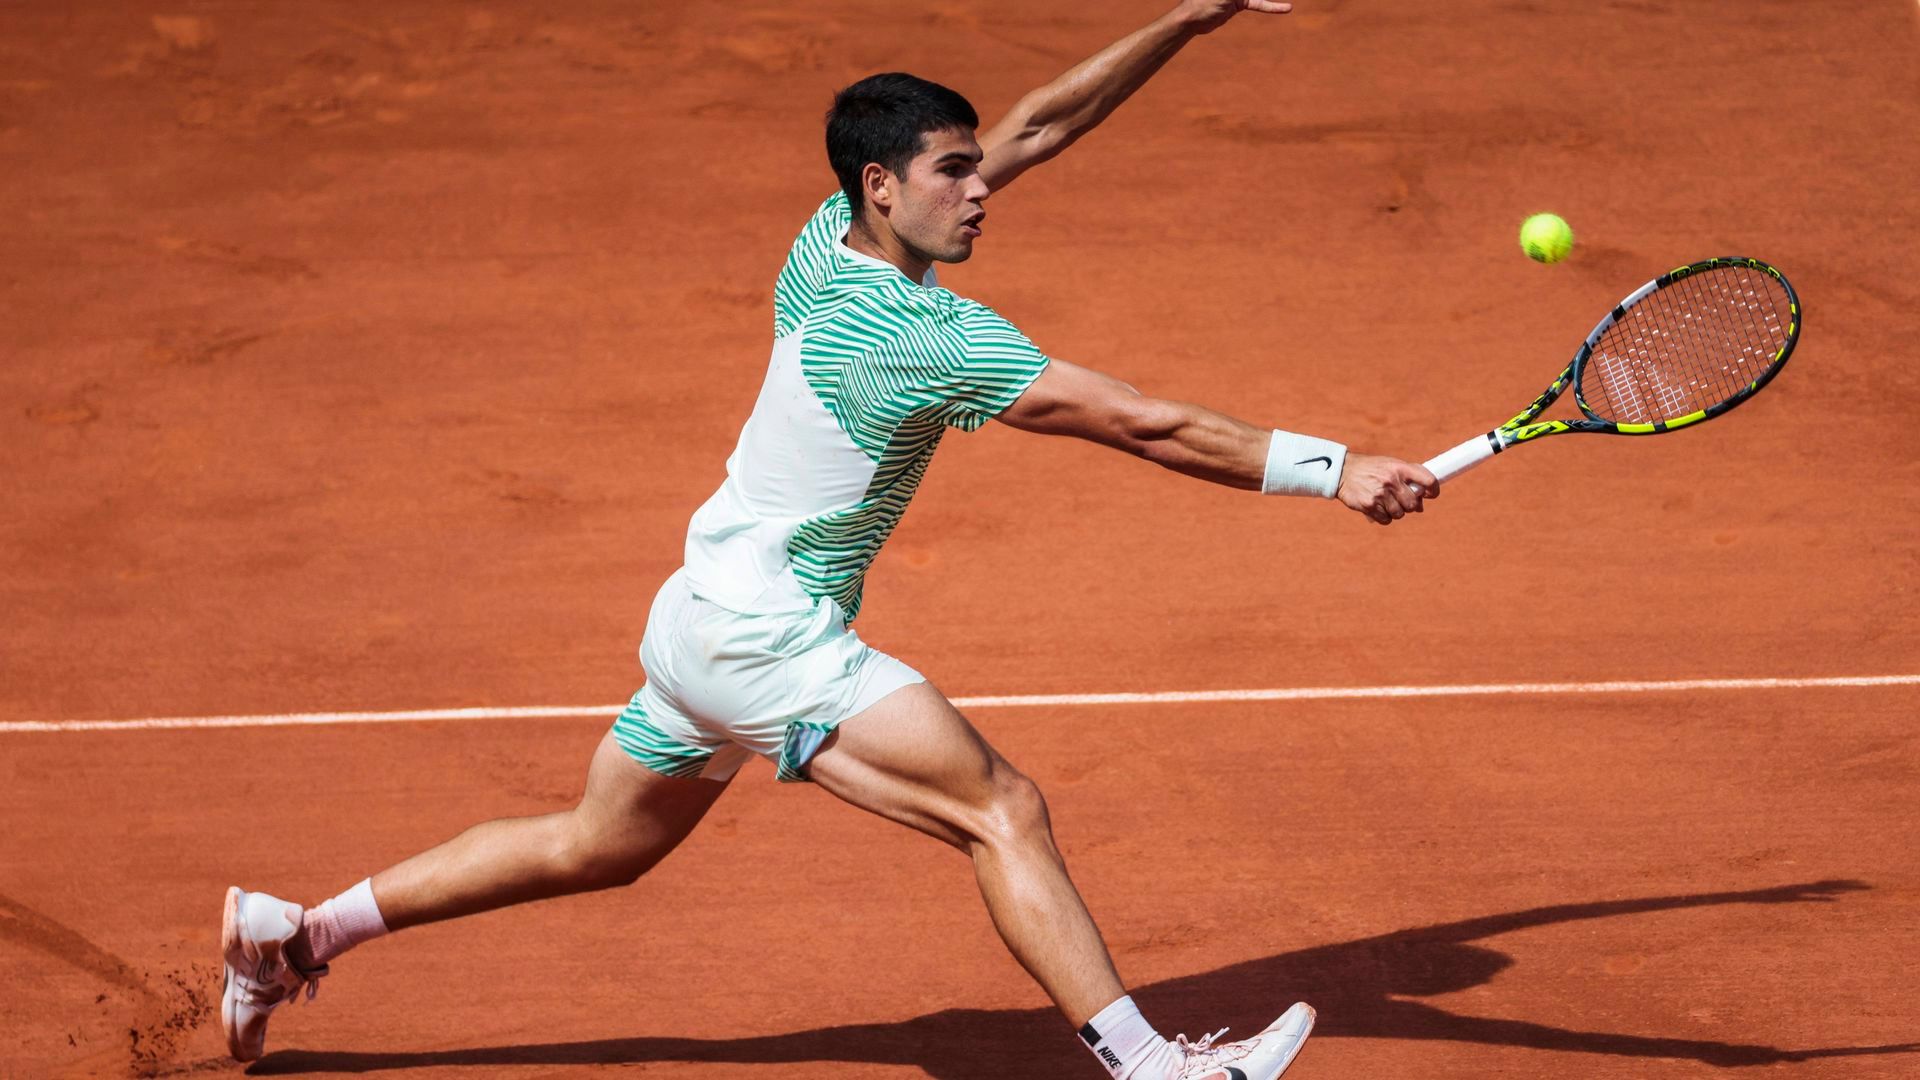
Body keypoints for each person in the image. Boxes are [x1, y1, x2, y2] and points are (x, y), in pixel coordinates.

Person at [219, 2, 1437, 1077]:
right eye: (954, 175)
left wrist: (1190, 17)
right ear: (884, 188)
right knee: (998, 807)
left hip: (699, 610)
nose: (980, 191)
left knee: (596, 846)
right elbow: (1145, 424)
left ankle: (299, 935)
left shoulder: (823, 249)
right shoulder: (929, 336)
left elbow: (1039, 126)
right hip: (768, 639)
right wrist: (1335, 471)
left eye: (974, 170)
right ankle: (1152, 1070)